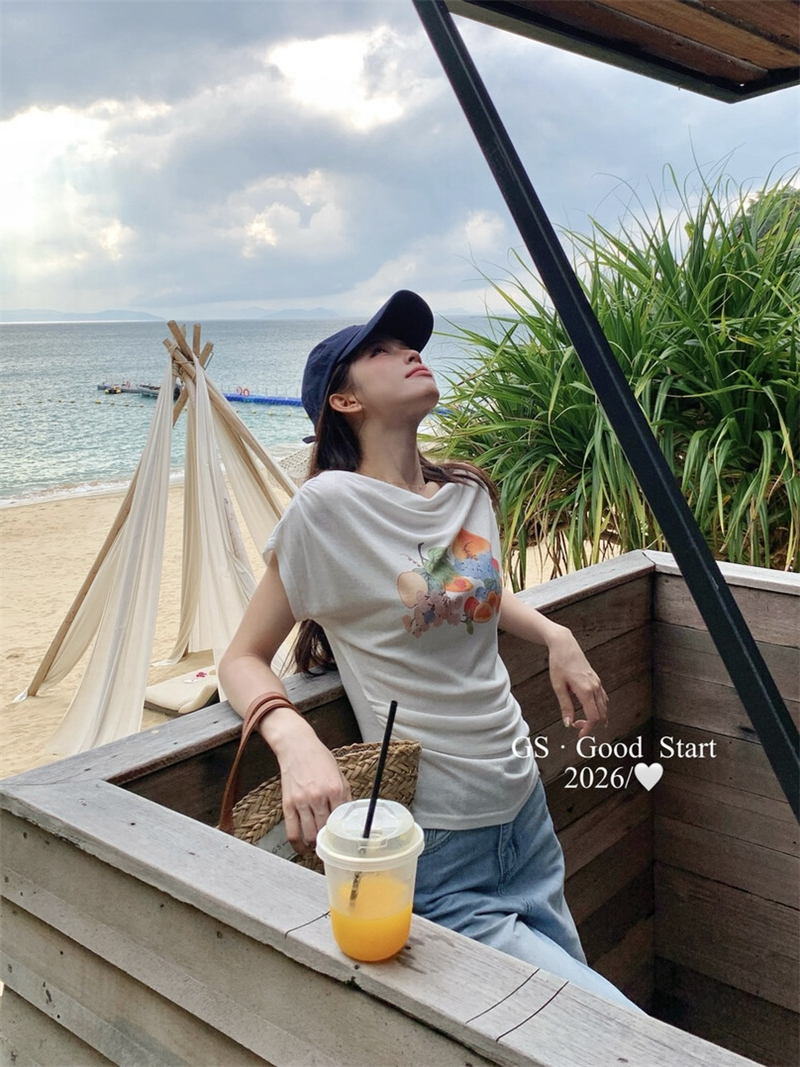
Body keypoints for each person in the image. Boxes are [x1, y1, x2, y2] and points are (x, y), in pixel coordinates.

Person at [219, 290, 641, 1011]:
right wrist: (296, 742)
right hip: (441, 847)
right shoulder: (327, 510)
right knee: (607, 1031)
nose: (410, 353)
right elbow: (241, 657)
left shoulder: (463, 492)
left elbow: (465, 593)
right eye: (380, 350)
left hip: (524, 806)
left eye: (409, 344)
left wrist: (555, 634)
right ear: (345, 400)